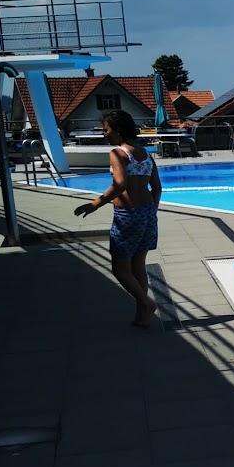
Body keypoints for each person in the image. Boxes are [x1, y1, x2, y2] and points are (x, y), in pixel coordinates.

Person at [74, 110, 161, 327]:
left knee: (120, 269)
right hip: (147, 212)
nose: (104, 134)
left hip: (128, 216)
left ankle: (147, 303)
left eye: (106, 130)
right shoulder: (146, 154)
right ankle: (142, 316)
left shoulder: (118, 153)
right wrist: (152, 211)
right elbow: (157, 187)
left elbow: (120, 184)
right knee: (138, 266)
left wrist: (94, 205)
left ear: (118, 130)